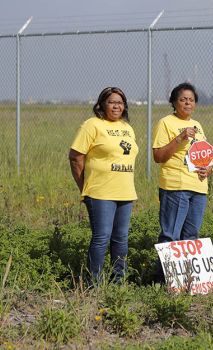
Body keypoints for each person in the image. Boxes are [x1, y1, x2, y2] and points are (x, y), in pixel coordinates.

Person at [69, 87, 138, 283]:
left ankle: (118, 281)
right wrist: (84, 185)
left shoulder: (127, 128)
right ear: (101, 104)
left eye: (120, 102)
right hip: (100, 192)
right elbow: (76, 157)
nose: (116, 105)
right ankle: (93, 283)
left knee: (121, 239)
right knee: (101, 238)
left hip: (125, 192)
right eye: (111, 102)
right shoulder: (92, 125)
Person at [152, 82, 211, 246]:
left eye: (191, 100)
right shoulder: (166, 122)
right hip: (176, 187)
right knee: (171, 236)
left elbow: (205, 156)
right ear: (174, 102)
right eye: (183, 99)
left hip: (198, 188)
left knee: (191, 237)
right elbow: (158, 156)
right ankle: (162, 272)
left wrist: (208, 169)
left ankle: (186, 272)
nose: (187, 103)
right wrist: (180, 138)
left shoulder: (197, 125)